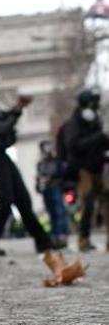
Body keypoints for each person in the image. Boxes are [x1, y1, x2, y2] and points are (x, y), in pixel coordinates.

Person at [0, 66, 54, 258]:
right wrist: (17, 111)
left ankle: (43, 242)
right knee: (6, 198)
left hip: (0, 155)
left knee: (22, 198)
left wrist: (18, 107)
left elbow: (3, 117)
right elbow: (1, 128)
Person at [61, 89, 109, 252]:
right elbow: (73, 146)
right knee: (88, 203)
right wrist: (99, 137)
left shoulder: (96, 122)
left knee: (106, 202)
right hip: (83, 169)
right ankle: (83, 239)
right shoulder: (73, 124)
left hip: (99, 167)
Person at [36, 140, 70, 249]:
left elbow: (63, 173)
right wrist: (39, 185)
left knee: (59, 211)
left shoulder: (57, 161)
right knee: (52, 213)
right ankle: (55, 237)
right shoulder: (41, 163)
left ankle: (61, 236)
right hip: (46, 189)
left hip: (55, 187)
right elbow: (38, 177)